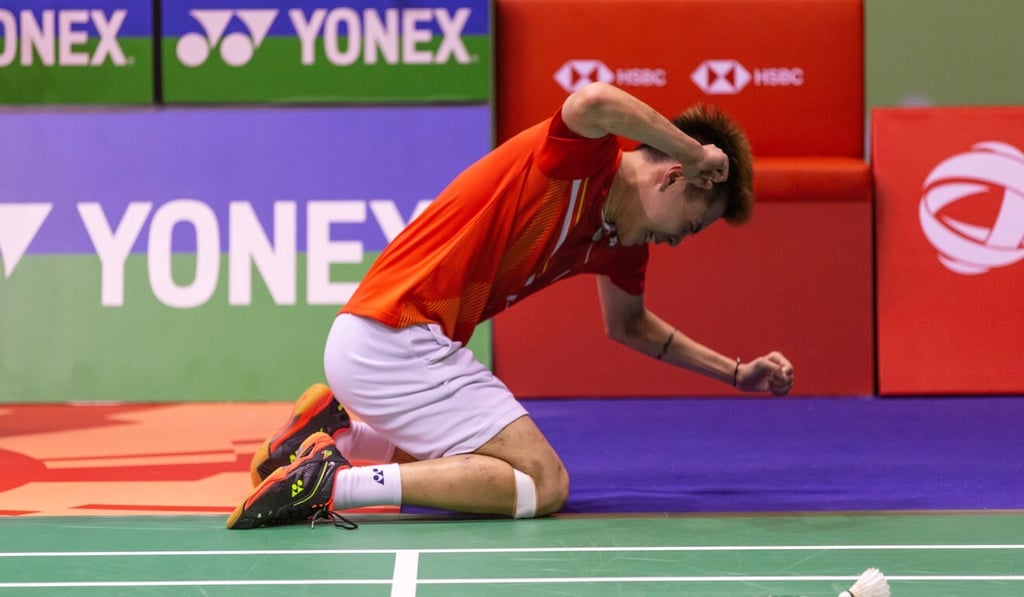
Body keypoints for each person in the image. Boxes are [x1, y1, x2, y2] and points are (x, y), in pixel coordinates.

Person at [226, 82, 795, 529]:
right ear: (675, 176)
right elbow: (593, 100)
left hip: (380, 344)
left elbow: (631, 325)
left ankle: (326, 442)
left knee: (469, 474)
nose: (677, 241)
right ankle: (331, 483)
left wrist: (737, 372)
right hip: (399, 337)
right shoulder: (580, 161)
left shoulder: (619, 242)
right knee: (541, 484)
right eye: (690, 226)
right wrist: (694, 150)